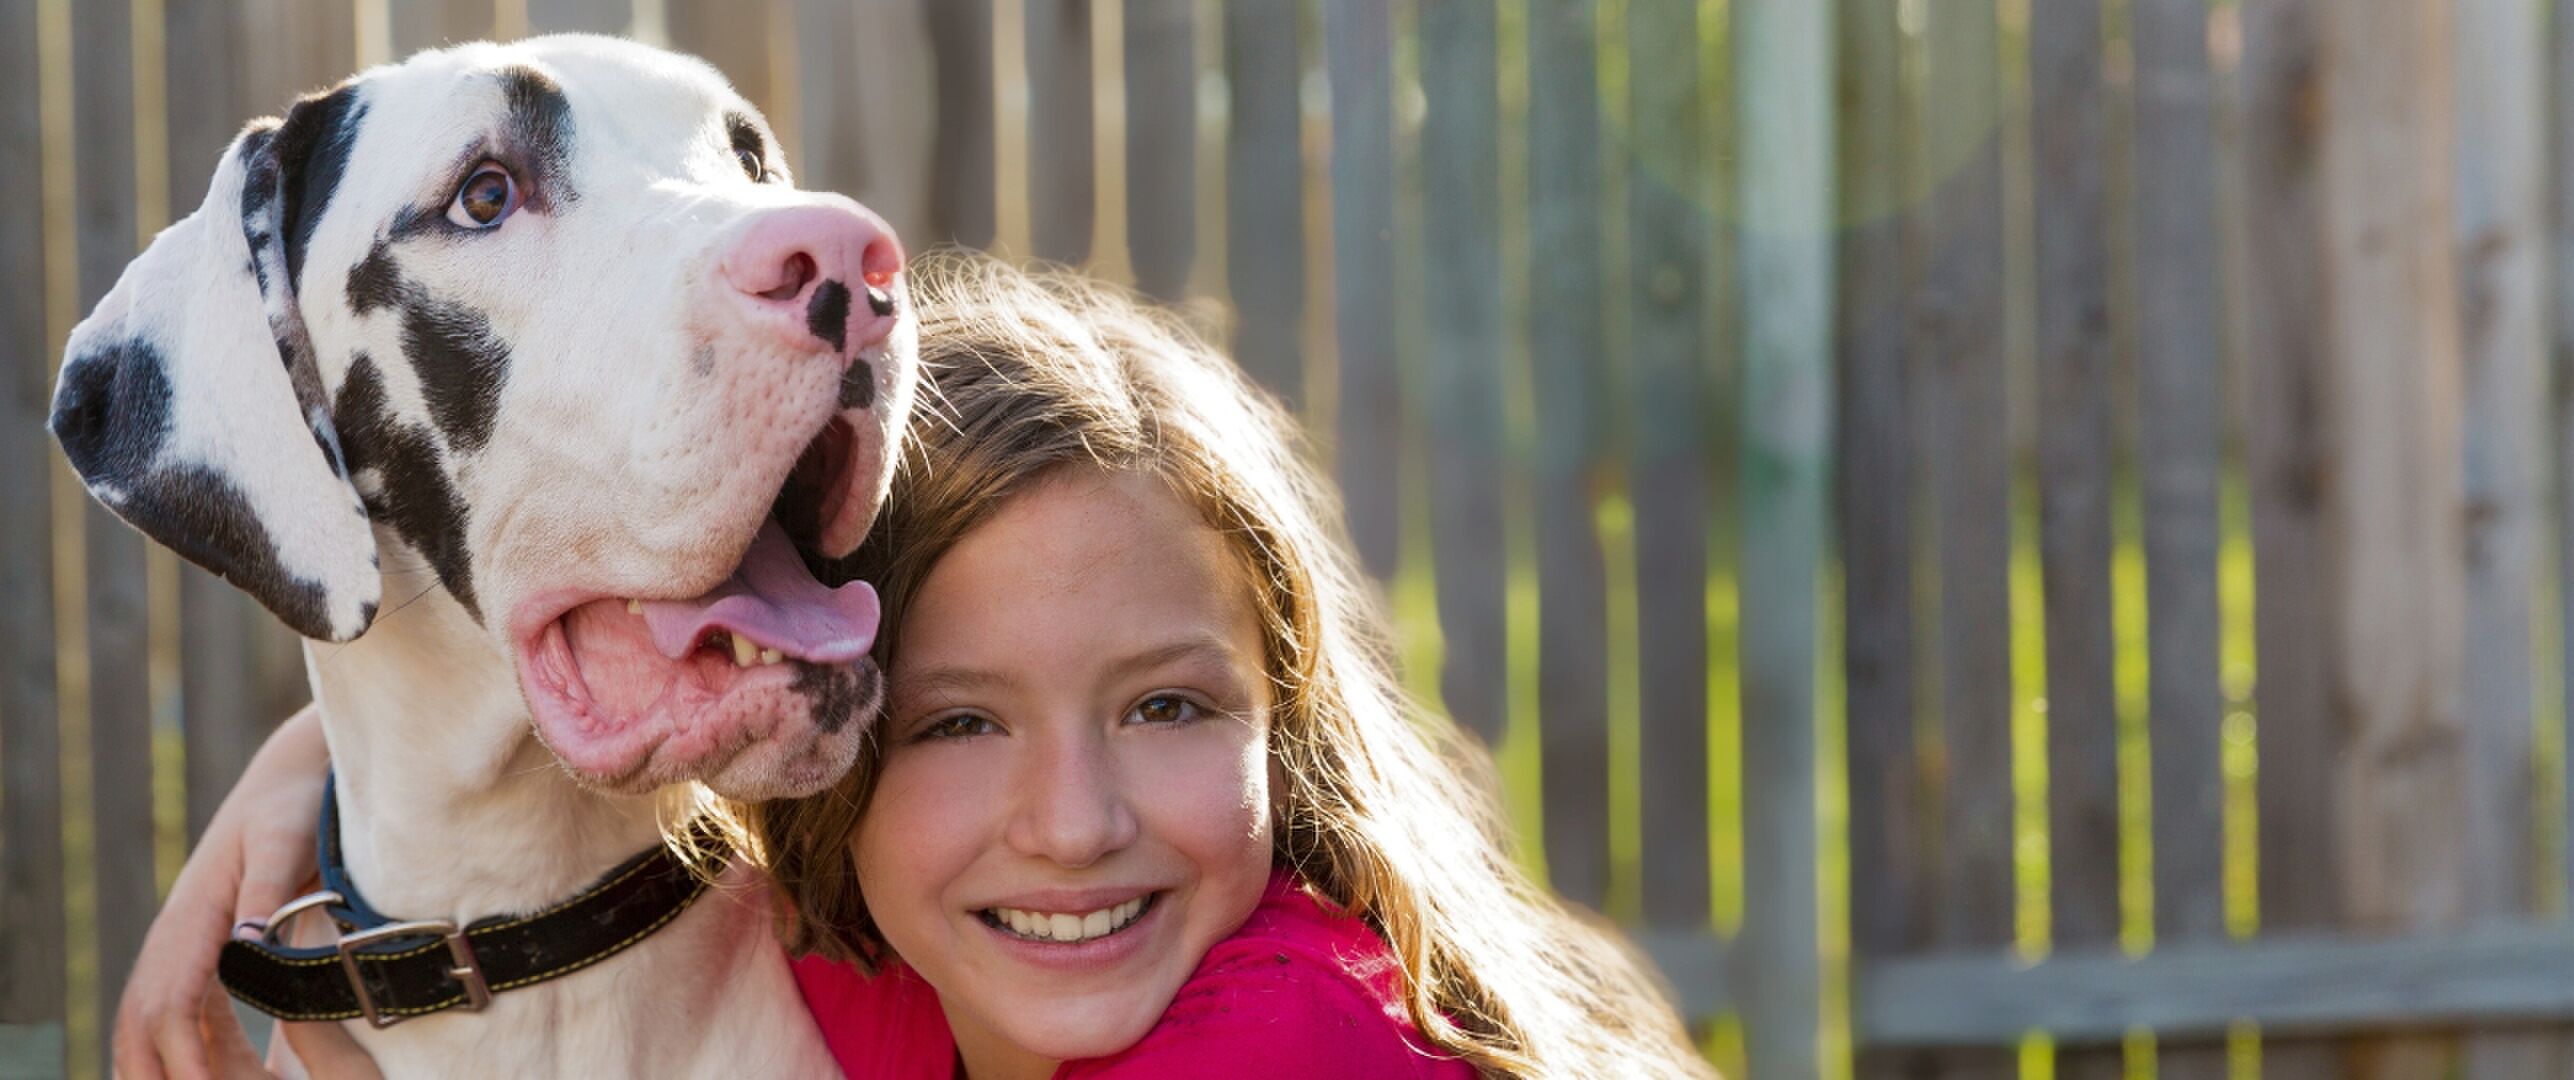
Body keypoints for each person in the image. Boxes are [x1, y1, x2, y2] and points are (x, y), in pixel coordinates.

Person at [117, 252, 1714, 1079]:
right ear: (818, 744)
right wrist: (311, 761)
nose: (1072, 821)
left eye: (1166, 706)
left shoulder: (1286, 1036)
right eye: (956, 723)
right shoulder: (876, 979)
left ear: (1280, 716)